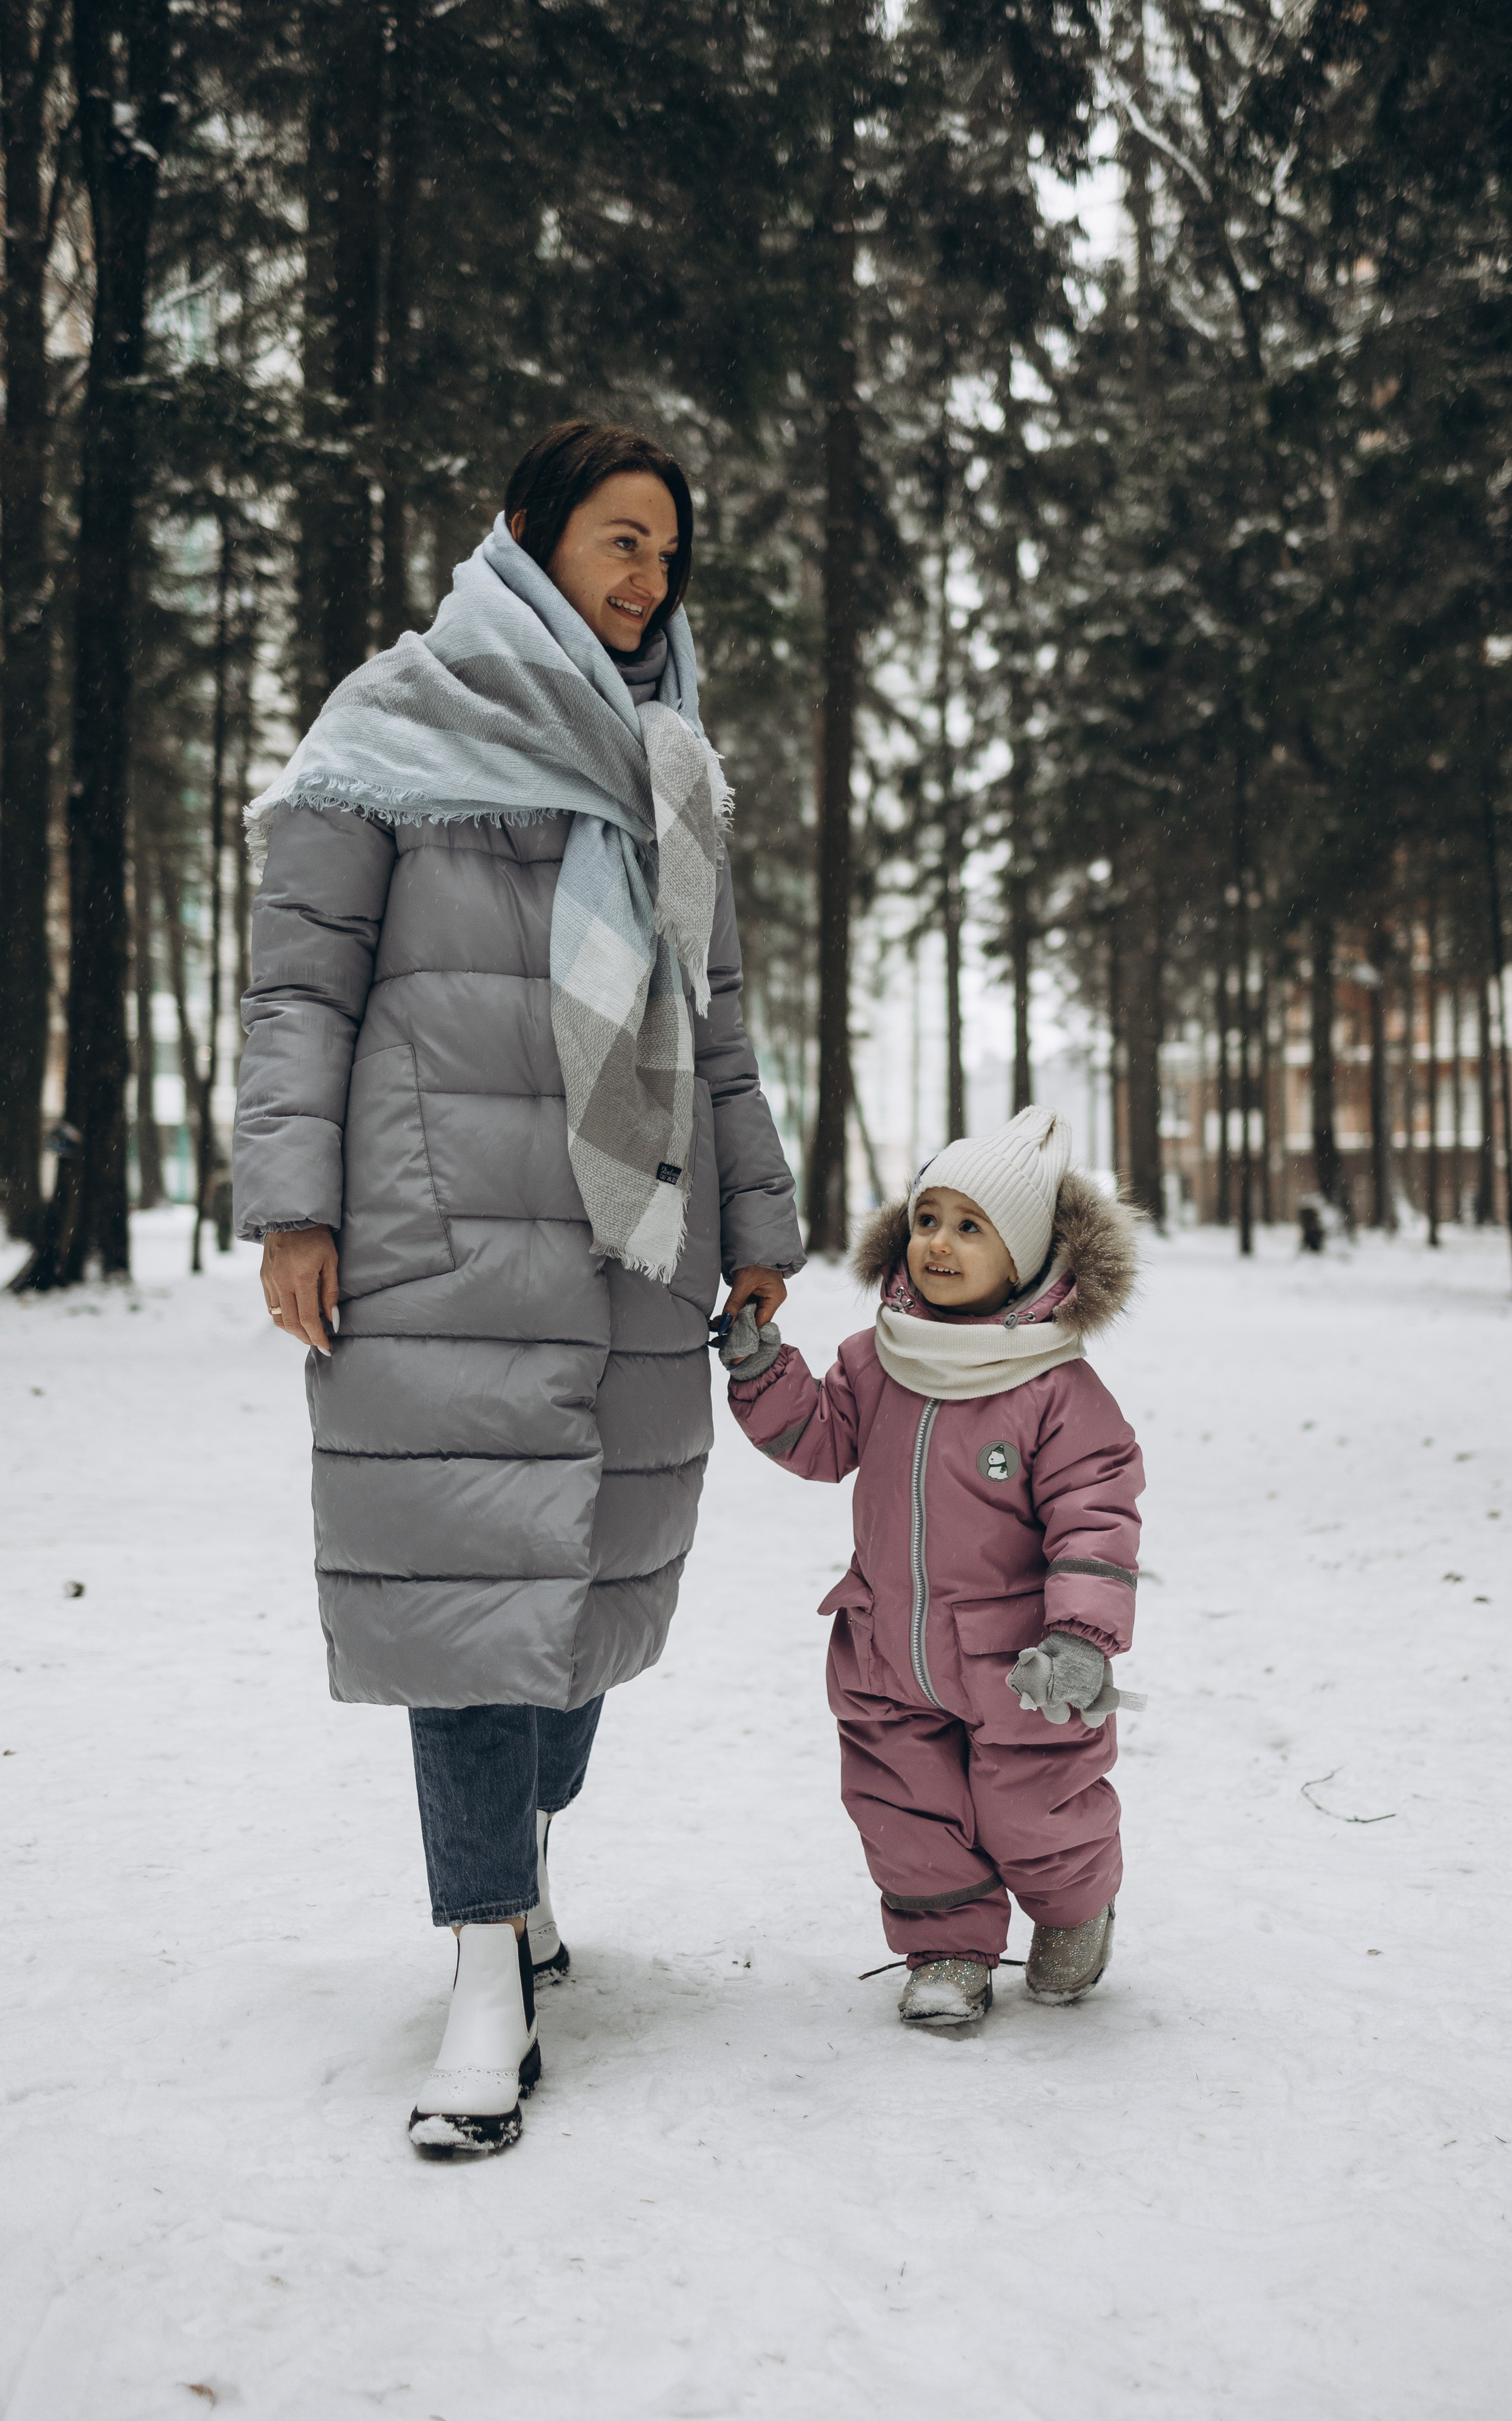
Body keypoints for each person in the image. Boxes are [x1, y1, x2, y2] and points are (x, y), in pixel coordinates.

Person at [233, 420, 802, 2156]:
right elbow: (301, 993)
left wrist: (760, 1216)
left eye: (666, 555)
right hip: (442, 1232)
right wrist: (293, 1209)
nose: (646, 580)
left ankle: (525, 1854)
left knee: (586, 1595)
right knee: (467, 1604)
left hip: (637, 1240)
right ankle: (485, 1964)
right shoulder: (389, 724)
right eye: (618, 540)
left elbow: (714, 1021)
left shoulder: (671, 761)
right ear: (525, 533)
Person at [722, 1106, 1143, 2024]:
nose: (938, 1243)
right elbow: (820, 1438)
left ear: (1023, 1258)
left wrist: (1081, 1634)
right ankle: (948, 1946)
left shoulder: (1054, 1389)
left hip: (1022, 1662)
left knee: (1036, 1805)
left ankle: (1074, 1908)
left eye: (970, 1227)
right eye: (926, 1219)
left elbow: (1096, 1511)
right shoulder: (878, 1360)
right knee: (903, 1806)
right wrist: (765, 1375)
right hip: (886, 1648)